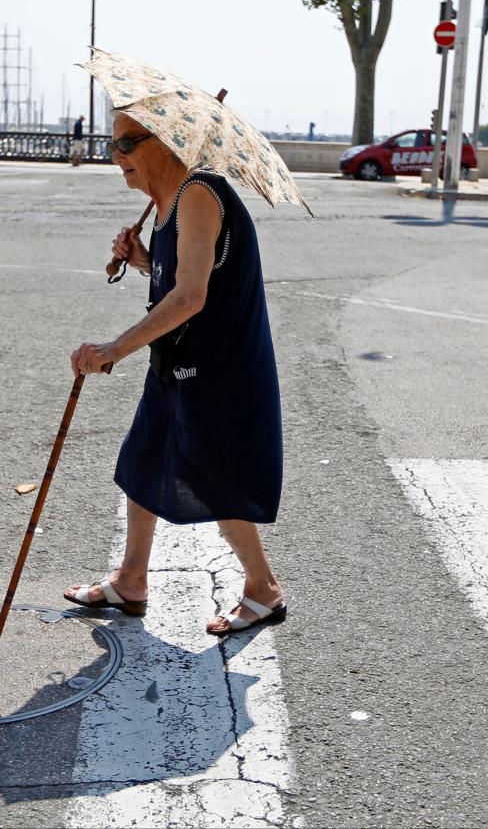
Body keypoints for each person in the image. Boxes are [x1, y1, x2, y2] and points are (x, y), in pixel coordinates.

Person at [65, 112, 286, 635]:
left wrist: (115, 347)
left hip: (217, 368)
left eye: (123, 143)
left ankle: (264, 589)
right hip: (177, 362)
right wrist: (144, 260)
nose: (114, 156)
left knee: (214, 476)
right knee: (143, 459)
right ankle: (131, 580)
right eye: (111, 143)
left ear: (162, 143)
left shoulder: (198, 195)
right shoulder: (169, 203)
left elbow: (191, 295)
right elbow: (181, 274)